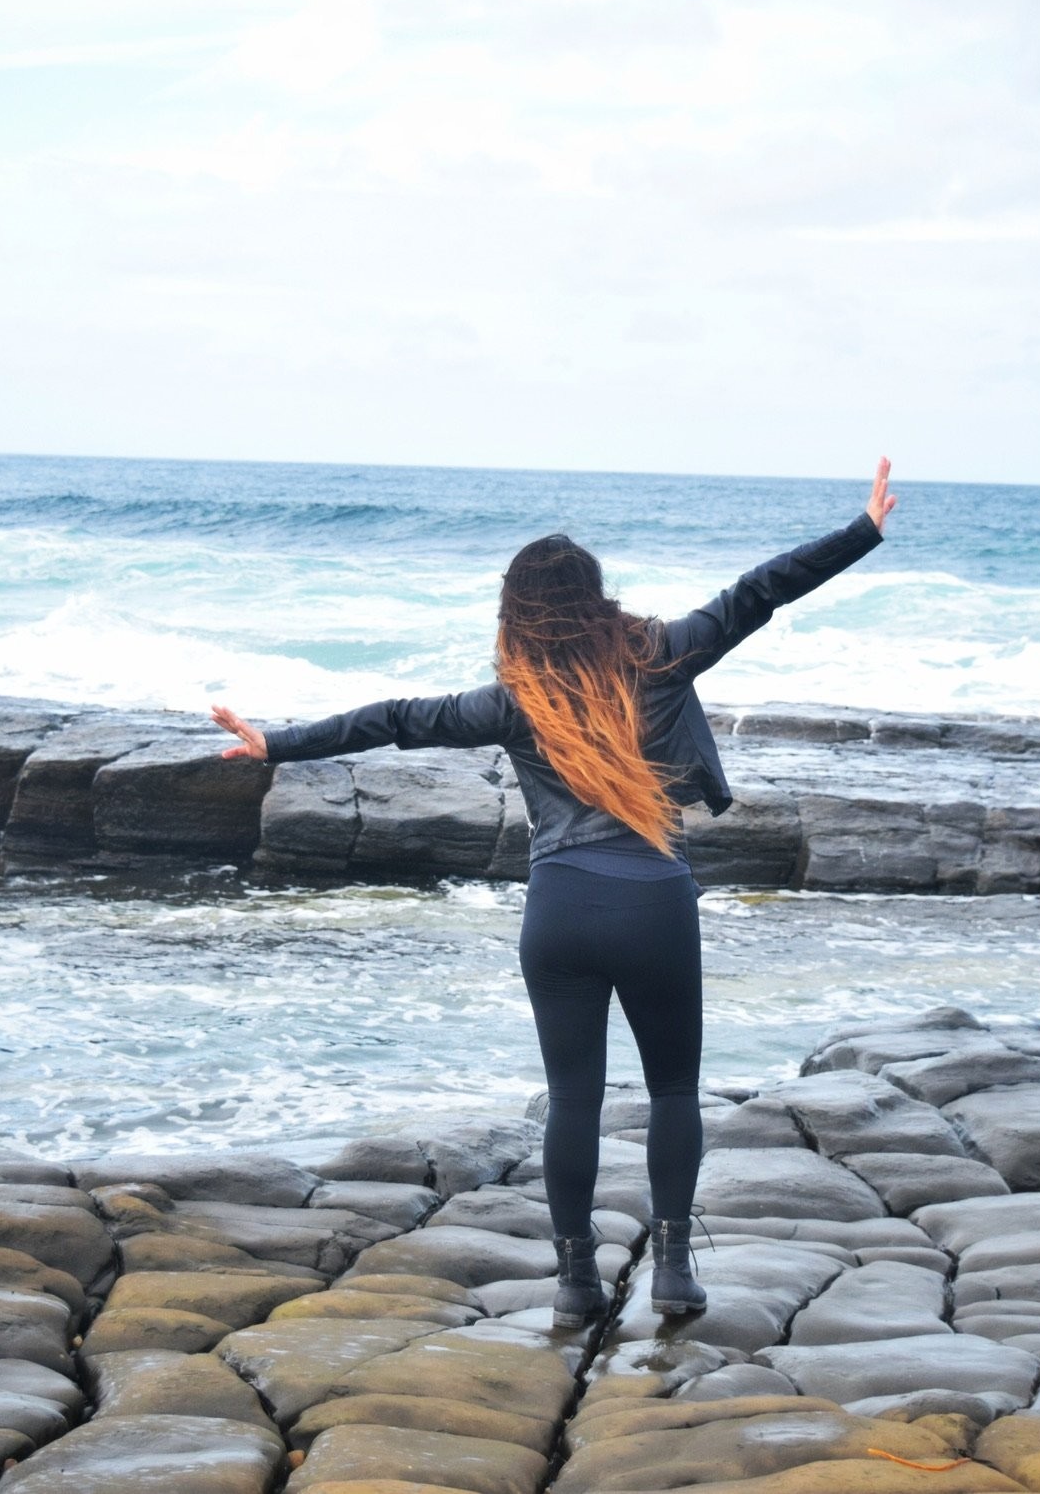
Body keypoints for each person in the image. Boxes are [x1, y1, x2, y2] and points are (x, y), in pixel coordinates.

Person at [212, 458, 896, 1327]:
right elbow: (759, 593)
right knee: (674, 1091)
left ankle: (575, 1283)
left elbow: (393, 718)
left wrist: (276, 744)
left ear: (516, 613)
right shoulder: (659, 655)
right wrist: (861, 532)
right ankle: (675, 1269)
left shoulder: (511, 699)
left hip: (559, 910)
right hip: (653, 901)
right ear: (595, 597)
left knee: (573, 1099)